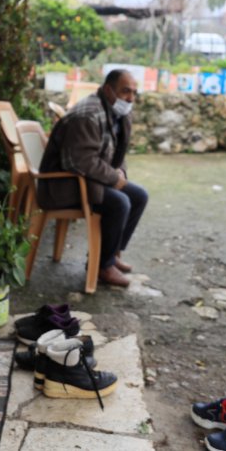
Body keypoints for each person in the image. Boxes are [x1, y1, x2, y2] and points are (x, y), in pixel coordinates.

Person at [37, 69, 148, 288]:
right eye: (125, 92)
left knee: (139, 196)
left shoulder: (116, 112)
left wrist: (121, 173)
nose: (131, 99)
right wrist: (113, 179)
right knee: (120, 202)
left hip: (88, 179)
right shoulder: (87, 115)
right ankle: (102, 266)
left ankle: (112, 253)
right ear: (108, 90)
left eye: (134, 93)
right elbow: (79, 161)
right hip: (65, 184)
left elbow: (116, 153)